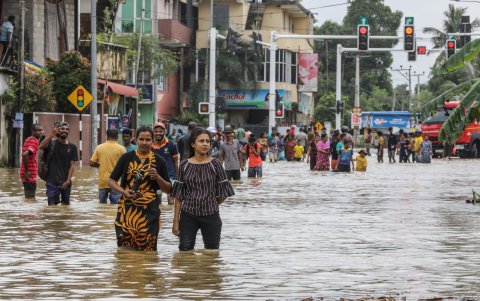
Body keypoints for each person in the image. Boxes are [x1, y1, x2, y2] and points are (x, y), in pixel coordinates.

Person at [109, 126, 172, 251]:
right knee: (125, 249)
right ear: (136, 140)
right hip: (127, 208)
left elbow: (169, 189)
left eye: (148, 139)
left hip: (150, 211)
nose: (144, 143)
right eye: (141, 139)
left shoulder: (159, 161)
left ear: (153, 141)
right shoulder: (126, 158)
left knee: (148, 249)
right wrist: (123, 192)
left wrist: (158, 177)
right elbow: (111, 180)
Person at [171, 127, 235, 251]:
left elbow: (224, 192)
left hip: (211, 216)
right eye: (201, 141)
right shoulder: (184, 165)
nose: (205, 144)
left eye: (208, 141)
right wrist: (175, 221)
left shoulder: (215, 164)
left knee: (212, 253)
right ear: (193, 144)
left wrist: (212, 203)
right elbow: (178, 196)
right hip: (188, 216)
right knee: (185, 251)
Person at [38, 122, 78, 206]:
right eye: (62, 129)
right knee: (52, 207)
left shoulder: (72, 147)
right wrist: (51, 135)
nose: (65, 131)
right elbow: (40, 146)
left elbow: (72, 165)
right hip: (51, 182)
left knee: (66, 207)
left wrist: (68, 181)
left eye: (67, 129)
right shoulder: (51, 144)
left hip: (66, 182)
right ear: (58, 131)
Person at [90, 129, 126, 204]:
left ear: (107, 136)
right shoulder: (121, 149)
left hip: (103, 181)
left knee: (102, 206)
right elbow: (126, 165)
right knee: (116, 206)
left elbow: (91, 163)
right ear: (117, 137)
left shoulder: (99, 147)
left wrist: (100, 165)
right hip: (116, 182)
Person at [152, 121, 179, 205]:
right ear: (153, 132)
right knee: (157, 202)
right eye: (156, 131)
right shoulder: (150, 145)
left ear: (165, 132)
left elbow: (176, 162)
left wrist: (178, 177)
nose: (158, 133)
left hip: (170, 176)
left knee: (171, 202)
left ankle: (170, 217)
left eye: (160, 131)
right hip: (155, 177)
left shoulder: (172, 145)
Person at [20, 123, 44, 199]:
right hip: (29, 172)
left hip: (26, 171)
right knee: (31, 197)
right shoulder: (34, 141)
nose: (40, 132)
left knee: (28, 197)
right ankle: (30, 211)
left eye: (41, 130)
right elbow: (25, 154)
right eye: (38, 130)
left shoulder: (29, 139)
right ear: (33, 131)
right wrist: (27, 171)